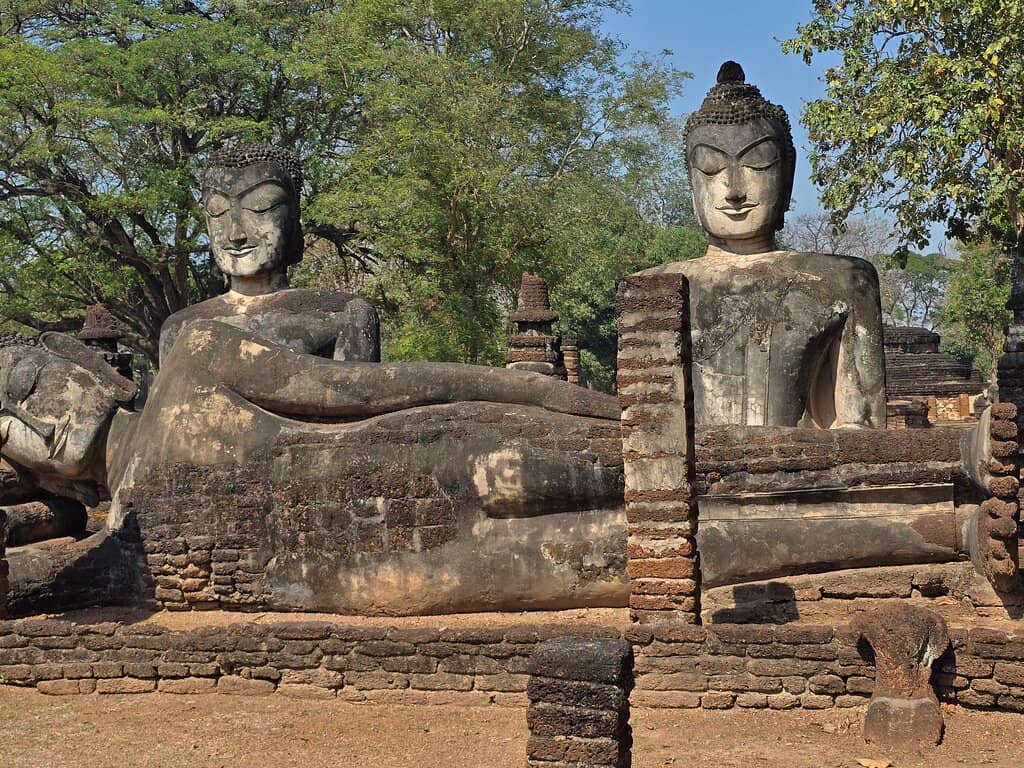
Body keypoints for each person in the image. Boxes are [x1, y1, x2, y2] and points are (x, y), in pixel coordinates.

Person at [639, 62, 887, 429]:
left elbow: (860, 430)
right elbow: (649, 433)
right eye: (711, 168)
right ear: (693, 186)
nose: (735, 190)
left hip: (801, 478)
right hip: (688, 481)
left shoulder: (845, 280)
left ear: (786, 177)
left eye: (757, 163)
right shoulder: (655, 290)